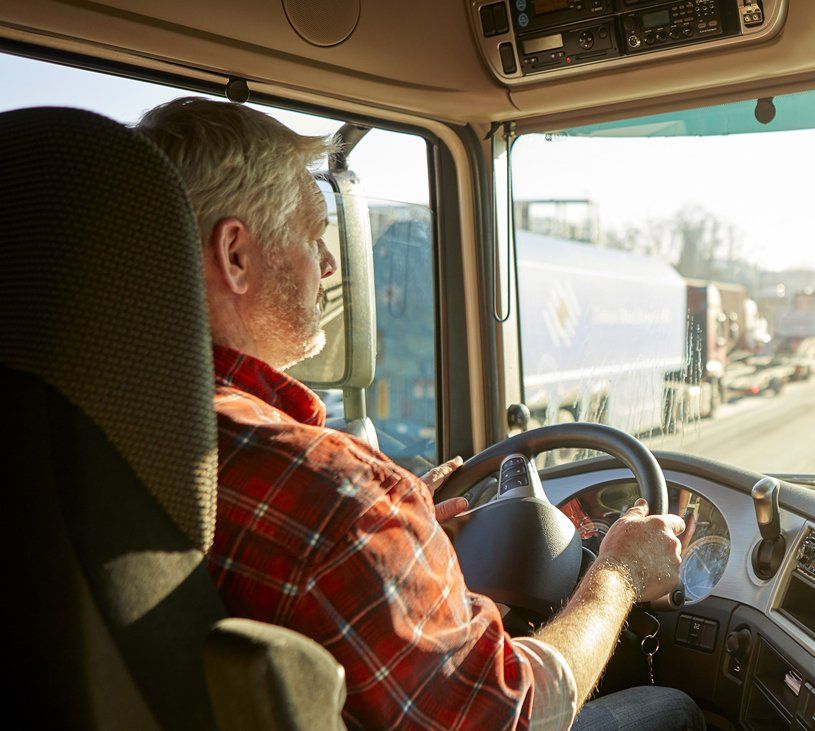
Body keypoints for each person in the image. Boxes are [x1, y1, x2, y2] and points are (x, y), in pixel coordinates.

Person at [137, 97, 704, 730]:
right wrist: (619, 573)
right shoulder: (334, 492)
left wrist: (404, 543)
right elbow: (506, 714)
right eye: (311, 235)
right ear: (236, 255)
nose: (328, 265)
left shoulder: (122, 431)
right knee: (673, 711)